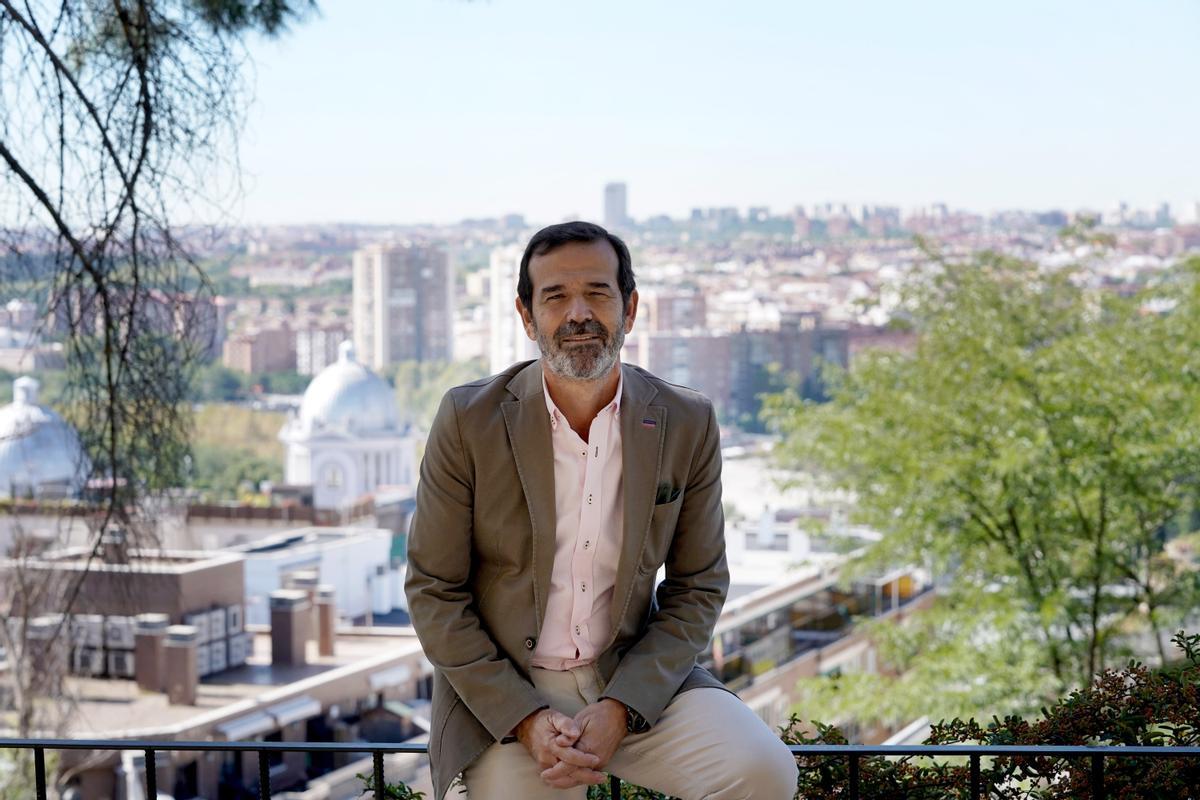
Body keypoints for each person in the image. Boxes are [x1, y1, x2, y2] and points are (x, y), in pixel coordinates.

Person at [404, 221, 798, 799]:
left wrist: (624, 705)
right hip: (511, 692)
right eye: (556, 297)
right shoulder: (469, 420)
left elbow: (699, 585)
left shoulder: (686, 421)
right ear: (526, 315)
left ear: (630, 307)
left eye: (598, 293)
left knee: (764, 773)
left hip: (634, 679)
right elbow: (434, 591)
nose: (578, 314)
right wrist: (526, 718)